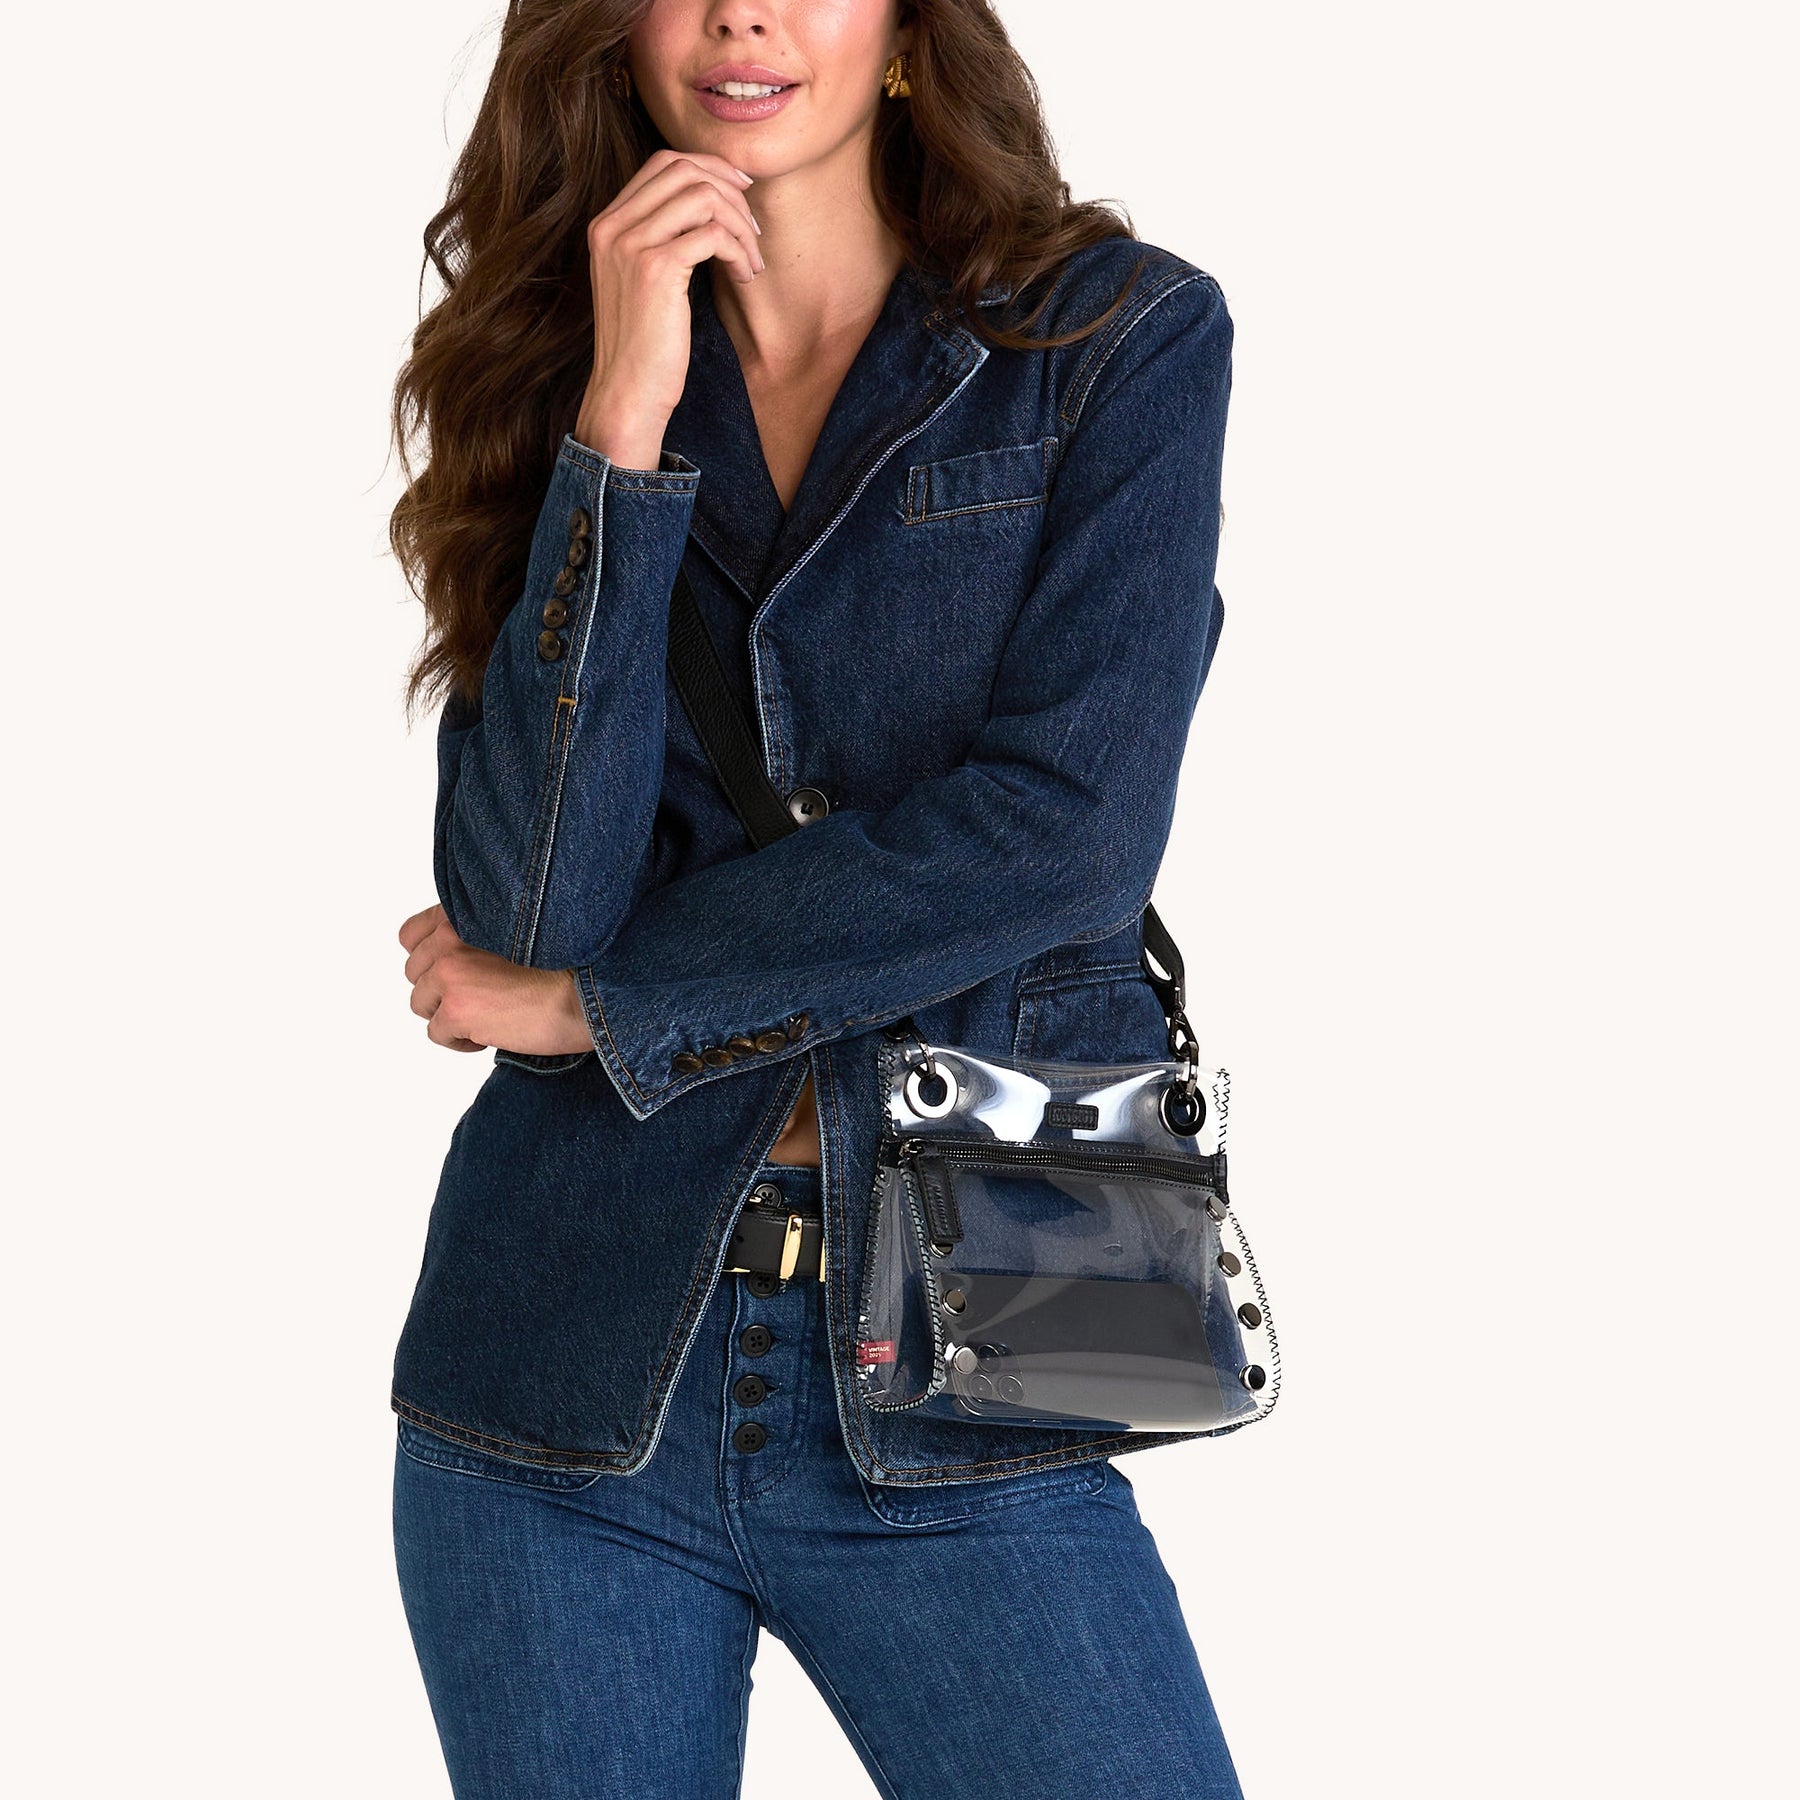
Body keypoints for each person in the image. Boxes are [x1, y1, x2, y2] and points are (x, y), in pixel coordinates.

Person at [389, 3, 1243, 1795]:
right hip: (563, 1373)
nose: (744, 13)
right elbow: (530, 902)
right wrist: (619, 427)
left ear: (910, 33)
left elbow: (1066, 834)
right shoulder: (564, 367)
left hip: (974, 1351)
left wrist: (610, 1008)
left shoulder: (1107, 342)